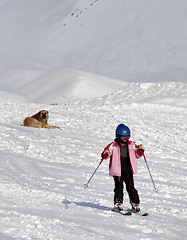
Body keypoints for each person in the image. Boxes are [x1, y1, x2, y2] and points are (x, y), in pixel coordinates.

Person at [101, 123, 145, 212]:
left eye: (127, 137)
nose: (125, 140)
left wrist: (140, 151)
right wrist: (105, 154)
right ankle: (118, 203)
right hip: (117, 170)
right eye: (123, 138)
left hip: (128, 169)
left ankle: (135, 203)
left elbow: (137, 154)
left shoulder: (132, 144)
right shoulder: (113, 145)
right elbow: (106, 154)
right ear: (118, 136)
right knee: (119, 187)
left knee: (131, 187)